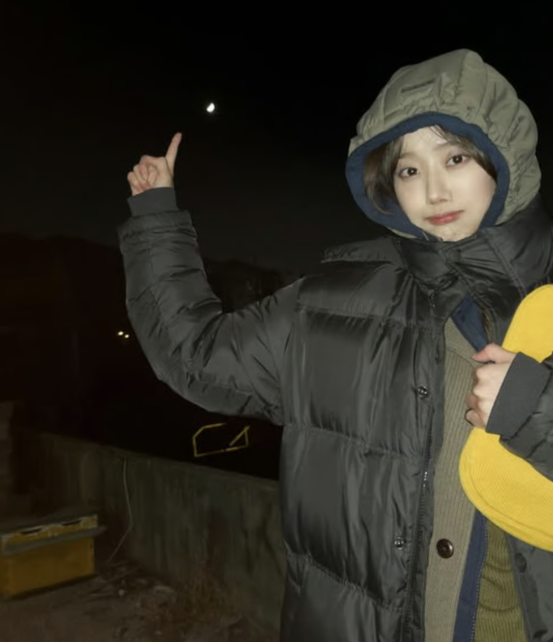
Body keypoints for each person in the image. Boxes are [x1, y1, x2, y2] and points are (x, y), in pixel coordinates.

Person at [119, 49, 553, 642]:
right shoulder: (330, 304)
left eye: (455, 157)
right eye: (408, 170)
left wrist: (536, 410)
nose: (433, 191)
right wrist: (155, 219)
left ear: (503, 155)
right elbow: (198, 356)